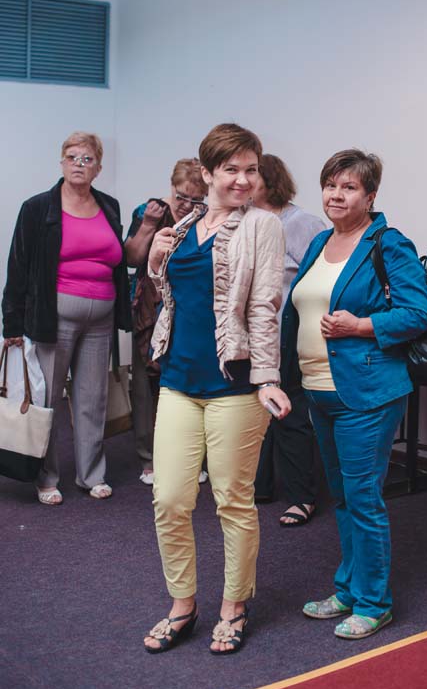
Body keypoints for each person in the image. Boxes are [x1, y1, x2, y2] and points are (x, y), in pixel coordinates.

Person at [143, 123, 291, 656]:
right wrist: (155, 259)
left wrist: (268, 377)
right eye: (231, 169)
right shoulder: (182, 226)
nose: (243, 180)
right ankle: (183, 605)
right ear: (206, 173)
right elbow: (173, 297)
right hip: (178, 380)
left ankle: (234, 606)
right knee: (170, 498)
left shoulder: (263, 226)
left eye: (251, 170)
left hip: (234, 385)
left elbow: (265, 306)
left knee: (232, 500)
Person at [281, 148, 427, 639]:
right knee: (343, 498)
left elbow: (418, 313)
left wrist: (361, 325)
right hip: (318, 389)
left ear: (370, 196)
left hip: (365, 392)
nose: (336, 195)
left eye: (348, 187)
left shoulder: (388, 244)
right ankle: (348, 589)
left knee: (363, 498)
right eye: (330, 185)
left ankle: (373, 603)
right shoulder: (320, 241)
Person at [2, 132, 131, 505]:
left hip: (101, 318)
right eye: (72, 157)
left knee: (93, 398)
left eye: (87, 159)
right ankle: (46, 477)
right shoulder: (38, 207)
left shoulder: (109, 206)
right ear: (61, 163)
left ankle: (92, 475)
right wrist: (12, 324)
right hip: (52, 317)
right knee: (47, 399)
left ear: (98, 168)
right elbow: (18, 265)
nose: (79, 164)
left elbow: (118, 259)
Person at [124, 159, 208, 486]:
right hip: (149, 306)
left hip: (188, 308)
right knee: (145, 386)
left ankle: (191, 457)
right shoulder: (149, 210)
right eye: (181, 196)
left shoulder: (206, 219)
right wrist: (148, 224)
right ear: (171, 187)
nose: (186, 204)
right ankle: (149, 458)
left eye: (195, 199)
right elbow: (131, 258)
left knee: (185, 382)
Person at [252, 154, 325, 526]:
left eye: (251, 174)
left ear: (270, 181)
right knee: (255, 412)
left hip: (289, 334)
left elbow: (322, 280)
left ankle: (302, 497)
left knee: (290, 413)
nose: (242, 182)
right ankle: (260, 486)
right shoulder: (246, 222)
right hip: (254, 336)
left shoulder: (302, 224)